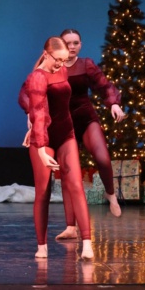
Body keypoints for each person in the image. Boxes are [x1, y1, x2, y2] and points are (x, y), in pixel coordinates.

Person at [20, 37, 93, 260]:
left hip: (66, 134)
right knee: (43, 192)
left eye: (64, 60)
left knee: (76, 185)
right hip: (44, 138)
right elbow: (38, 110)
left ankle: (87, 243)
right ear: (46, 54)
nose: (61, 64)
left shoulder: (61, 71)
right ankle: (42, 246)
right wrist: (40, 146)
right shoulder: (37, 77)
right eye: (57, 60)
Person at [54, 29, 125, 238]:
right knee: (68, 174)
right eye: (67, 43)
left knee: (103, 158)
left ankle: (110, 194)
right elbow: (33, 90)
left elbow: (104, 85)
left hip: (85, 118)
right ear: (60, 45)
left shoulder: (86, 65)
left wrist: (113, 103)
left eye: (76, 43)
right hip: (64, 123)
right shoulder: (53, 67)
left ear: (81, 45)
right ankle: (70, 226)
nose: (72, 47)